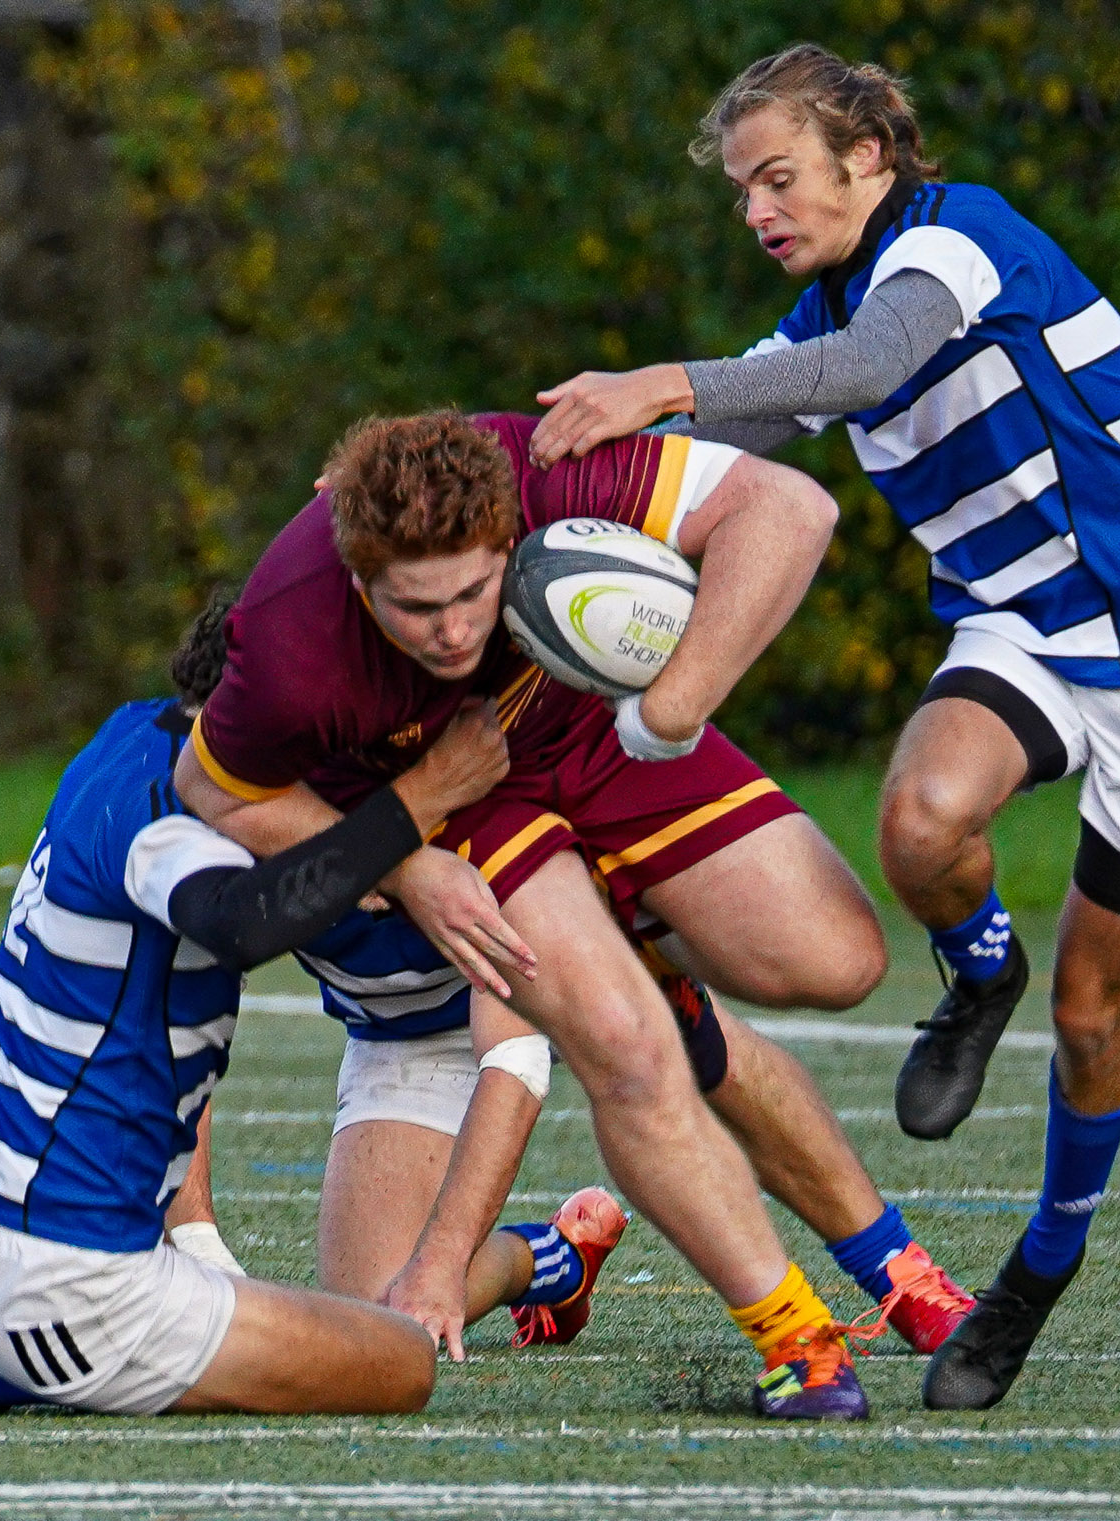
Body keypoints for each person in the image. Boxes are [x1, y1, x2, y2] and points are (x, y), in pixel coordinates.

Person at [529, 44, 1120, 1410]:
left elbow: (869, 369)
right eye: (743, 187)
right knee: (921, 823)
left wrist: (657, 381)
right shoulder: (824, 308)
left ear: (870, 156)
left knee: (1099, 1015)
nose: (758, 209)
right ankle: (981, 972)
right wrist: (528, 471)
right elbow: (733, 444)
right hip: (1027, 628)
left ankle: (1038, 1267)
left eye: (780, 175)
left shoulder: (959, 241)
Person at [177, 409, 975, 1421]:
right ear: (355, 573)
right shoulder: (290, 647)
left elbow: (784, 507)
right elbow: (211, 793)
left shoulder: (545, 469)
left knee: (836, 959)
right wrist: (408, 856)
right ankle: (799, 1343)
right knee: (624, 1053)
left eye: (473, 592)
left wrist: (673, 702)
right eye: (414, 609)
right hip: (463, 801)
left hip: (588, 727)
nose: (456, 630)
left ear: (512, 535)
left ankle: (889, 1259)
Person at [0, 603, 615, 1414]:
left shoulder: (125, 734)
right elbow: (233, 925)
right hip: (68, 1275)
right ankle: (1, 1373)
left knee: (52, 1279)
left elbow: (178, 1028)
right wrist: (403, 827)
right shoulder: (179, 822)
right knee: (396, 1359)